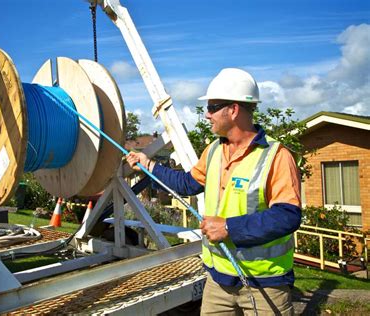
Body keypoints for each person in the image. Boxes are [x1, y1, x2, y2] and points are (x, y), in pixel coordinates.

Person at [126, 68, 301, 315]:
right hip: (218, 281)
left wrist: (229, 227)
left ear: (234, 110)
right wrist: (148, 164)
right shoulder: (214, 151)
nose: (206, 115)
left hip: (265, 285)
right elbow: (188, 184)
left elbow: (287, 216)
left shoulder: (276, 157)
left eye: (212, 107)